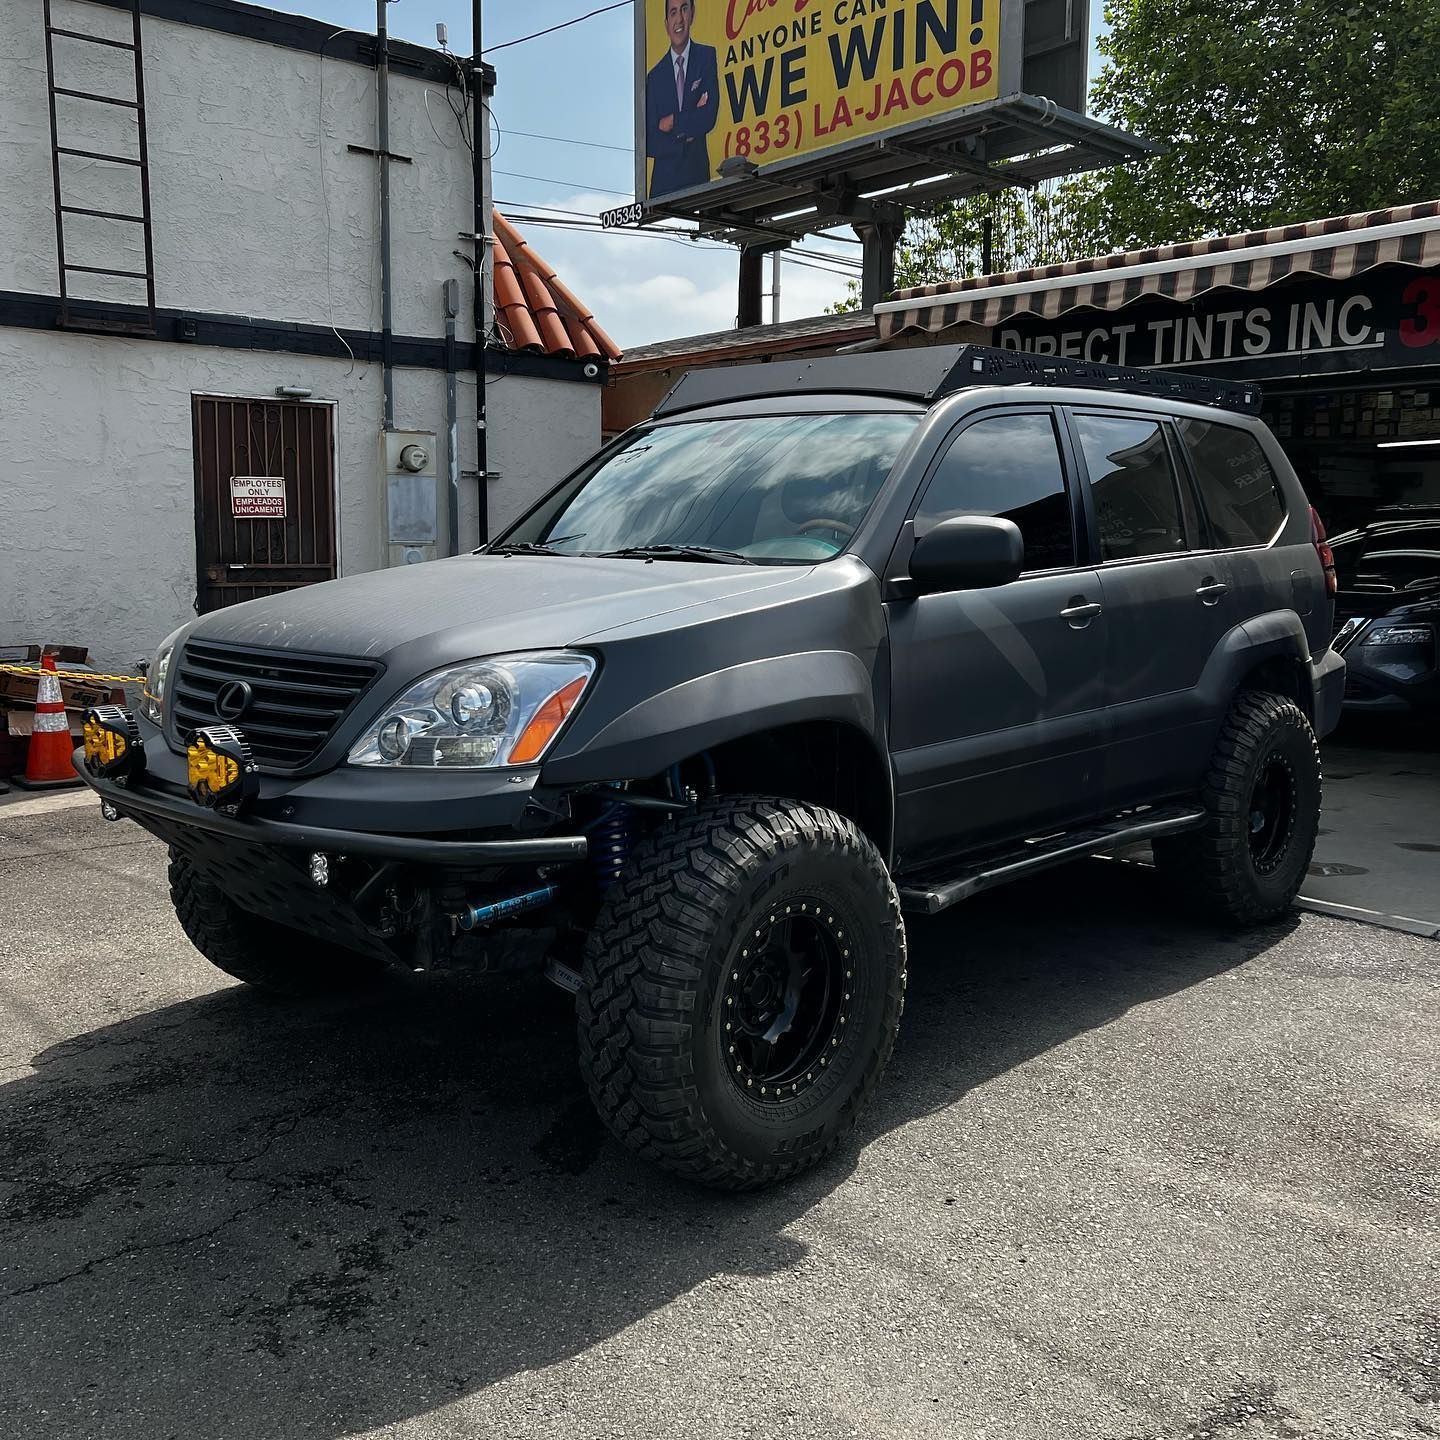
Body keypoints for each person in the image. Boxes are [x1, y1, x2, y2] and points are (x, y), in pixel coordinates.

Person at [644, 0, 718, 198]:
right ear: (666, 23)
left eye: (684, 9)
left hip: (698, 178)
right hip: (663, 188)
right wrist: (689, 130)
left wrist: (673, 122)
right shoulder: (654, 77)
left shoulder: (706, 57)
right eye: (674, 12)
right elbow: (649, 142)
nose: (679, 18)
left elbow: (708, 117)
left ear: (692, 14)